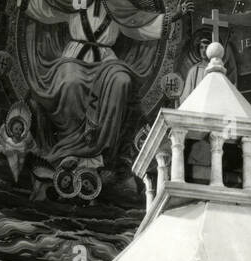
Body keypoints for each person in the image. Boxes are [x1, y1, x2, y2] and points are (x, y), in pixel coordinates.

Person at [20, 0, 163, 167]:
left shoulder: (119, 7)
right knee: (70, 81)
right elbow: (49, 10)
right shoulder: (73, 2)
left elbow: (139, 26)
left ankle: (100, 149)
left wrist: (172, 17)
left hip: (106, 60)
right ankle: (70, 146)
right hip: (75, 56)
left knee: (121, 80)